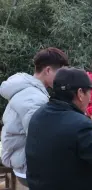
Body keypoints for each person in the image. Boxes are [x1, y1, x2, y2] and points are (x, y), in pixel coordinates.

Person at [25, 68, 92, 190]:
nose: (90, 97)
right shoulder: (79, 125)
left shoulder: (39, 114)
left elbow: (69, 140)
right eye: (90, 92)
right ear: (80, 93)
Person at [0, 47, 69, 186]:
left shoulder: (29, 89)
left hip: (21, 159)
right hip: (28, 168)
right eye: (60, 73)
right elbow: (41, 140)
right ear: (48, 70)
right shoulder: (33, 98)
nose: (63, 79)